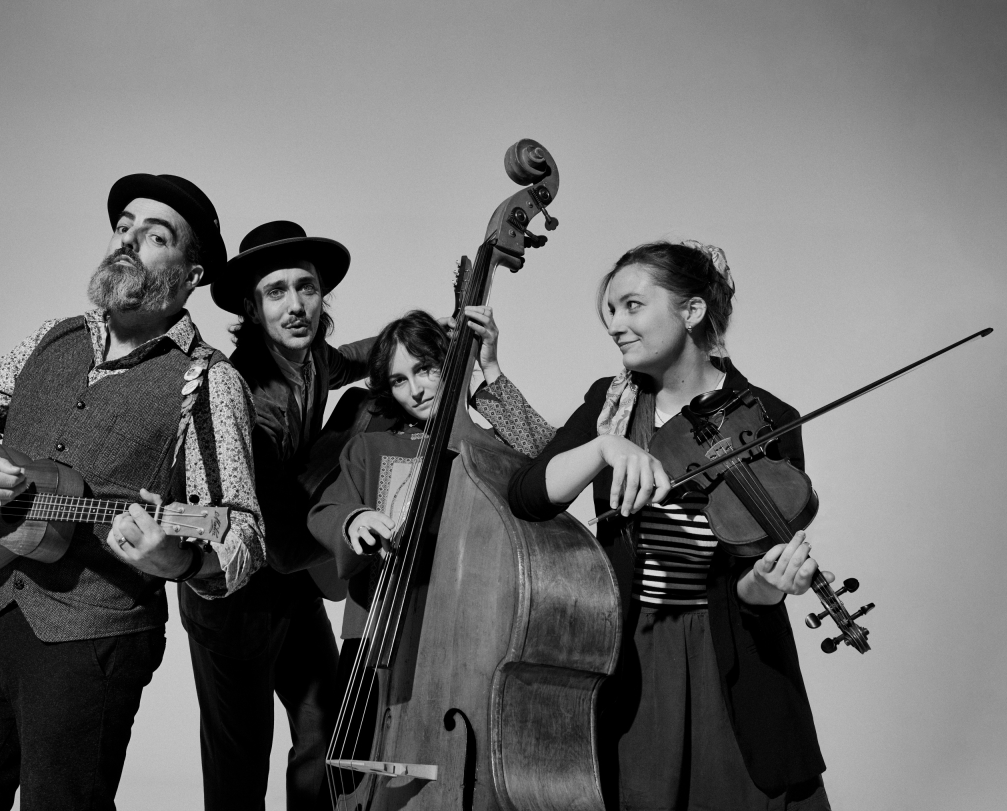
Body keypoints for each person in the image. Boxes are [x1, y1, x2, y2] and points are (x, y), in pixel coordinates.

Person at [0, 174, 265, 811]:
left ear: (191, 275)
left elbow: (243, 531)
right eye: (123, 227)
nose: (127, 240)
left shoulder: (209, 381)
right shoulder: (53, 338)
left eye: (155, 236)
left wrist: (179, 561)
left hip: (96, 641)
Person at [507, 241, 832, 810]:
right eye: (611, 311)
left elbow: (751, 582)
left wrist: (768, 585)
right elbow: (529, 496)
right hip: (633, 651)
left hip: (728, 653)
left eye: (632, 306)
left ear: (692, 311)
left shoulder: (767, 417)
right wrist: (604, 447)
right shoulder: (610, 405)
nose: (616, 324)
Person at [180, 220, 377, 811]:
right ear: (251, 307)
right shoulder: (241, 391)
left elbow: (351, 360)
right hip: (235, 591)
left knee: (328, 731)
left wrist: (421, 337)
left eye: (306, 287)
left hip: (290, 587)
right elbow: (285, 546)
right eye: (276, 292)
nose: (296, 306)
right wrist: (366, 526)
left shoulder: (311, 356)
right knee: (240, 767)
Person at [308, 307, 554, 684]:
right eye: (399, 380)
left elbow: (542, 453)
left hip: (464, 634)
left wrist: (488, 368)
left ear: (449, 364)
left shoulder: (484, 449)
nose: (416, 390)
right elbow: (325, 510)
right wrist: (355, 520)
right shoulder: (370, 448)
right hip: (376, 635)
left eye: (424, 369)